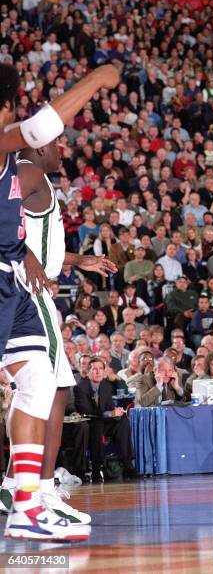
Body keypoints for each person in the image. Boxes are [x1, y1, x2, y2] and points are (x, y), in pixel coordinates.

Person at [0, 62, 119, 541]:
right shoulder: (17, 147)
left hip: (12, 278)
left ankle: (26, 503)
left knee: (39, 379)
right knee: (39, 383)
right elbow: (38, 128)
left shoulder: (16, 163)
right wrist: (99, 78)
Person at [74, 358, 137, 483]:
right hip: (89, 422)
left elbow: (109, 407)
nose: (98, 372)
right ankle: (96, 470)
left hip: (104, 420)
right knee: (97, 425)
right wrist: (109, 413)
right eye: (94, 369)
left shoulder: (106, 386)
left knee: (123, 422)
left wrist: (117, 412)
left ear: (104, 371)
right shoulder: (81, 387)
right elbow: (86, 411)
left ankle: (128, 464)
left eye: (101, 369)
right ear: (88, 372)